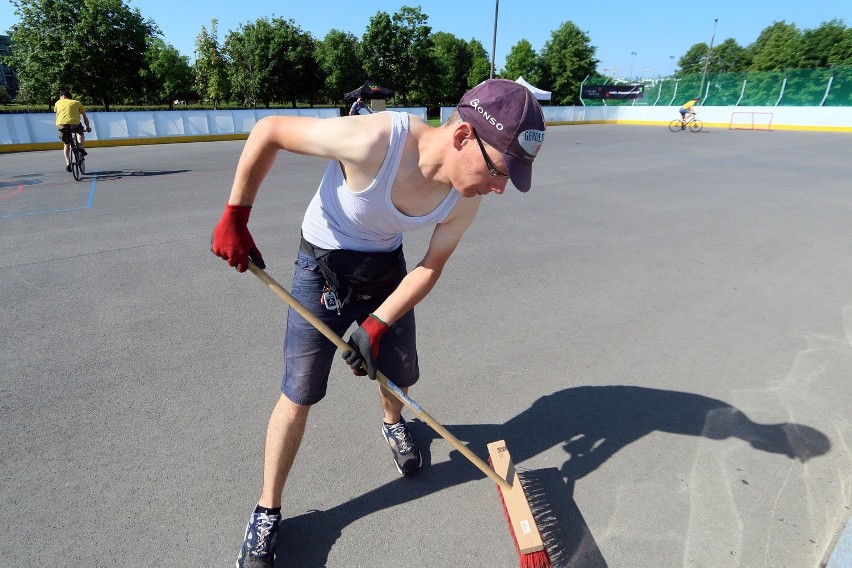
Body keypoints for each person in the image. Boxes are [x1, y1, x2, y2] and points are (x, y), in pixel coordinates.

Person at [211, 78, 546, 568]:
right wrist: (236, 215)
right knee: (299, 392)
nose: (499, 188)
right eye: (498, 170)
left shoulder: (465, 196)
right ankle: (267, 510)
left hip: (387, 271)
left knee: (396, 373)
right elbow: (269, 130)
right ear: (461, 138)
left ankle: (393, 423)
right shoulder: (376, 141)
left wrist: (377, 324)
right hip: (320, 267)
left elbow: (430, 266)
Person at [54, 89, 91, 172]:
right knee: (80, 132)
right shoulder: (77, 103)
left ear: (63, 96)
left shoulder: (57, 103)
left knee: (66, 144)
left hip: (62, 125)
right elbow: (85, 117)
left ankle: (68, 164)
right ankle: (80, 147)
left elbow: (57, 115)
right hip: (74, 124)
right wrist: (87, 127)